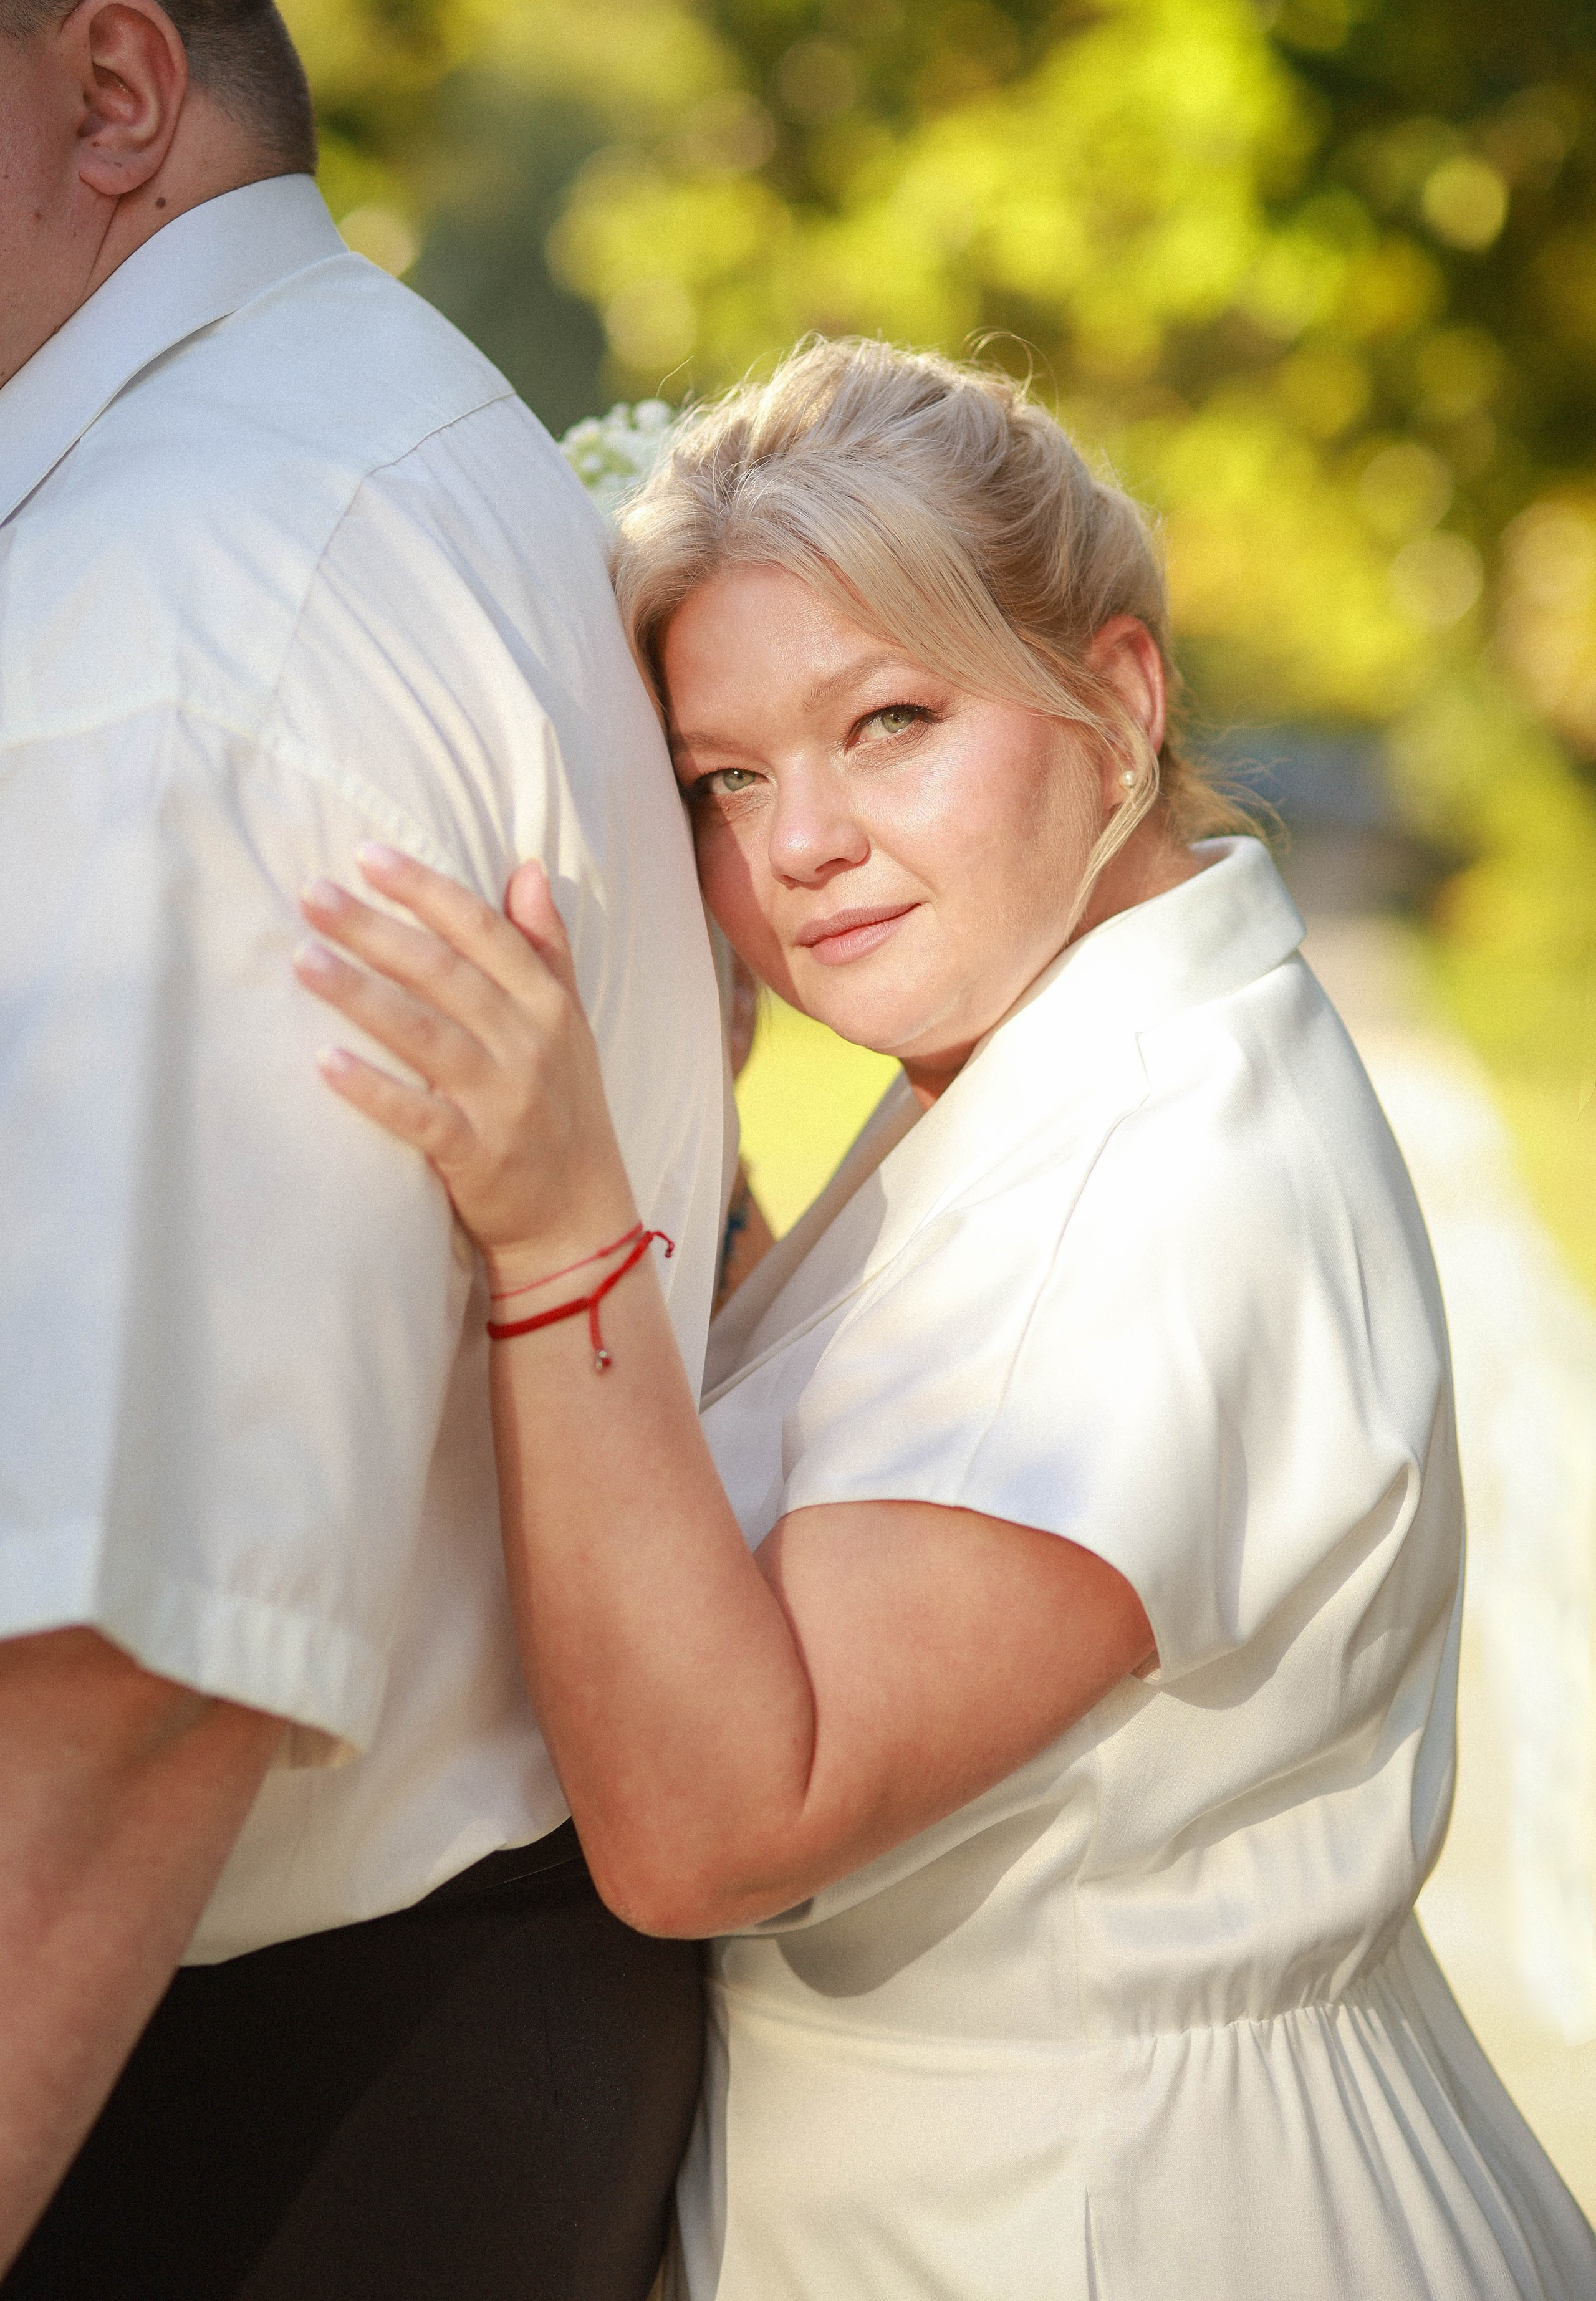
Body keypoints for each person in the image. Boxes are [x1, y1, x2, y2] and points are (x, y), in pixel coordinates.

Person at [303, 337, 1596, 2299]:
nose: (793, 844)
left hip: (1125, 2227)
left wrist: (560, 1225)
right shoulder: (1067, 1049)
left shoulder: (1155, 1182)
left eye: (886, 721)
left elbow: (719, 1824)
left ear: (1119, 694)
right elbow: (844, 1429)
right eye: (725, 779)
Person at [0, 0, 726, 2295]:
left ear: (115, 92)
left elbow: (126, 1666)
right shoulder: (372, 417)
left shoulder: (169, 629)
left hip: (223, 2116)